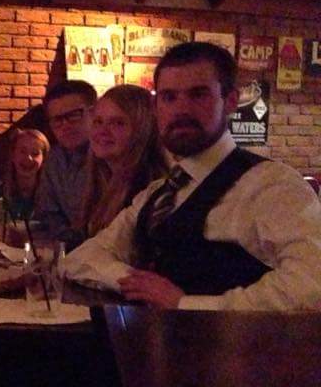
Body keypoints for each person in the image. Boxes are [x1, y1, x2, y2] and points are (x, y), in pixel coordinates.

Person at [64, 41, 321, 310]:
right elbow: (82, 258)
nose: (181, 110)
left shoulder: (272, 184)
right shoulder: (158, 192)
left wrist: (187, 304)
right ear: (156, 107)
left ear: (231, 101)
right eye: (169, 97)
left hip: (231, 338)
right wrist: (137, 283)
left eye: (198, 95)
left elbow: (311, 285)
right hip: (148, 336)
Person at [71, 85, 166, 248]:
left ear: (143, 129)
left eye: (117, 123)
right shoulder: (99, 181)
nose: (102, 131)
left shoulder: (147, 189)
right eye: (98, 122)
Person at [34, 80, 96, 241]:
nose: (65, 125)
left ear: (94, 113)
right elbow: (46, 215)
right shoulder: (54, 159)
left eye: (74, 115)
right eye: (57, 119)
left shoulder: (111, 157)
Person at [0, 128, 49, 221]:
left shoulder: (54, 193)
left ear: (44, 159)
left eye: (35, 153)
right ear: (13, 155)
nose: (29, 158)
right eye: (22, 151)